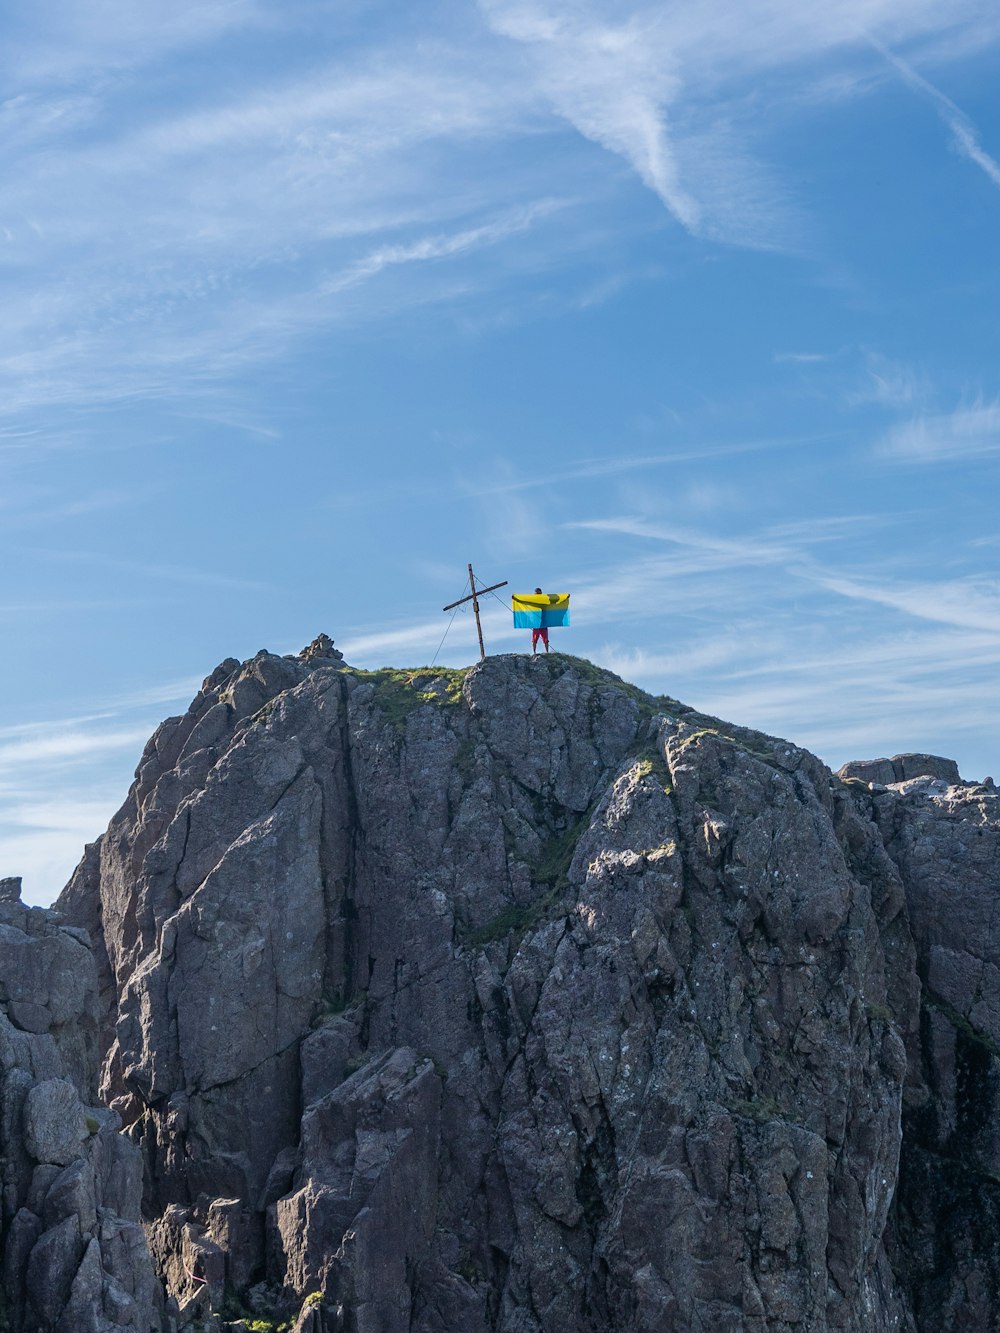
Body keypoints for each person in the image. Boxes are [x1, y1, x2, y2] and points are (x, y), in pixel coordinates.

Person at [531, 587, 549, 654]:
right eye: (537, 593)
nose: (538, 595)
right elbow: (525, 602)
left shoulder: (544, 601)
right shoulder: (533, 601)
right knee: (534, 639)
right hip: (536, 622)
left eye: (540, 593)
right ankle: (534, 652)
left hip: (543, 622)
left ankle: (547, 652)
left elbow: (552, 602)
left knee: (546, 639)